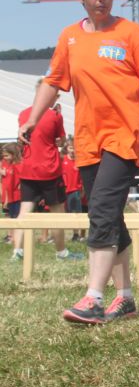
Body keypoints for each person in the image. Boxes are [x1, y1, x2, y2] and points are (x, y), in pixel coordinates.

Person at [19, 0, 139, 324]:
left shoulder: (134, 34)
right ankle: (126, 298)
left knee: (102, 211)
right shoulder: (69, 38)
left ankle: (93, 298)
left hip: (125, 137)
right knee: (108, 215)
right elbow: (53, 82)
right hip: (88, 140)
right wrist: (33, 119)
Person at [16, 90, 82, 262]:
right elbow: (61, 141)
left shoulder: (23, 114)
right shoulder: (54, 116)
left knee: (24, 211)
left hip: (28, 168)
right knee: (57, 212)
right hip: (49, 169)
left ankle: (17, 251)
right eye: (56, 95)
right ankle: (61, 252)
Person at [61, 143, 85, 241]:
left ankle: (76, 234)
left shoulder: (78, 161)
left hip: (76, 190)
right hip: (65, 190)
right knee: (66, 213)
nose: (73, 150)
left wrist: (83, 190)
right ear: (67, 149)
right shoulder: (63, 160)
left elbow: (82, 177)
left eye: (75, 148)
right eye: (71, 148)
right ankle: (59, 235)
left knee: (77, 213)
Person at [1, 144, 23, 251]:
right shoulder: (8, 165)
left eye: (6, 155)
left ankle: (16, 238)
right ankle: (12, 237)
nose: (4, 158)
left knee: (16, 217)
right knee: (11, 216)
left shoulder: (18, 165)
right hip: (9, 196)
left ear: (13, 154)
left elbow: (21, 179)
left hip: (16, 197)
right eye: (3, 156)